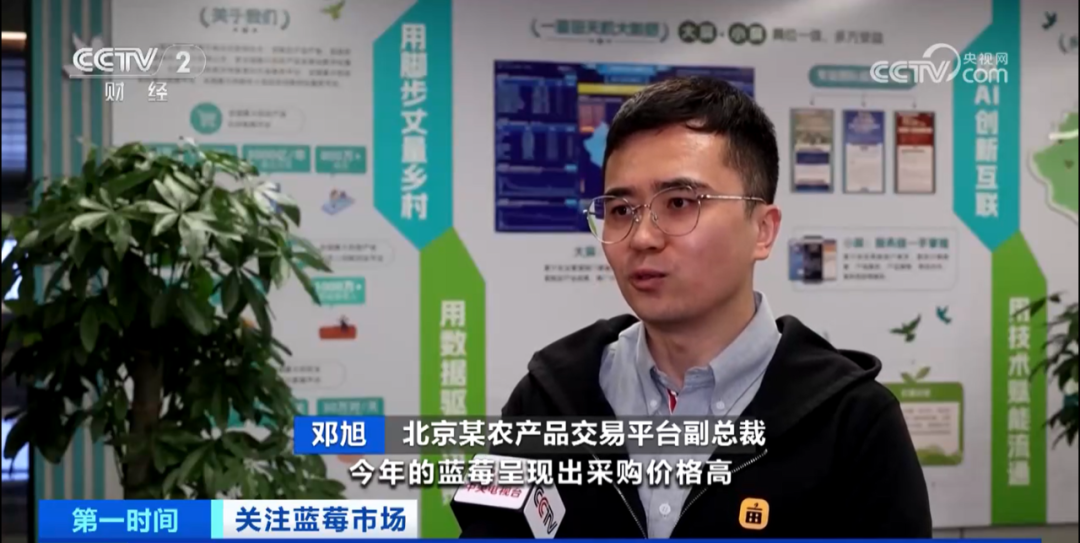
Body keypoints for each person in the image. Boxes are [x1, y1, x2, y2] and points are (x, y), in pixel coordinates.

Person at [460, 76, 931, 538]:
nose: (643, 238)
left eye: (680, 203)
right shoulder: (547, 398)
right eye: (621, 210)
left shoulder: (852, 421)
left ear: (763, 230)